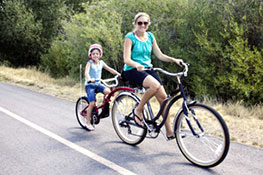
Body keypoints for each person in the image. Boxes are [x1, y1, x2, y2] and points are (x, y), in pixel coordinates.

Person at [122, 12, 183, 140]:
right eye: (140, 23)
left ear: (148, 24)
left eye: (145, 23)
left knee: (164, 99)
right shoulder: (130, 37)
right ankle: (138, 110)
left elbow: (159, 55)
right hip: (132, 70)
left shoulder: (150, 36)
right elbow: (126, 59)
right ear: (135, 24)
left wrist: (174, 59)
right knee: (154, 85)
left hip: (148, 69)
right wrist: (136, 64)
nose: (142, 25)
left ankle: (169, 131)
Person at [85, 44, 120, 131]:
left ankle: (103, 107)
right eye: (93, 54)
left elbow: (110, 69)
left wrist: (118, 74)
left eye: (97, 53)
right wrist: (89, 79)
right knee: (92, 103)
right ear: (90, 55)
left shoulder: (101, 63)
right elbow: (86, 72)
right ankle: (87, 122)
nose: (95, 55)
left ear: (100, 54)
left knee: (109, 92)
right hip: (90, 85)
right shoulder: (89, 63)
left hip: (98, 84)